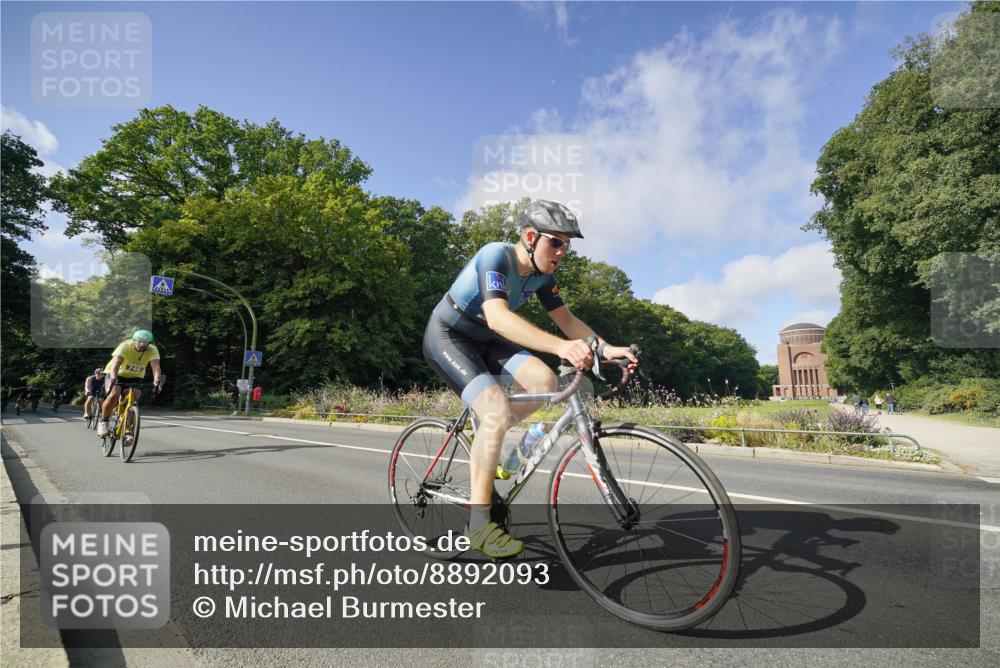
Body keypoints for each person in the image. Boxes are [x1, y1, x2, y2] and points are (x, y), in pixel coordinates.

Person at [422, 199, 638, 558]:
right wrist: (563, 348)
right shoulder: (496, 256)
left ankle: (504, 450)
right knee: (494, 410)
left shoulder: (542, 277)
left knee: (545, 381)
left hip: (488, 340)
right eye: (555, 242)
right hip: (449, 335)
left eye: (566, 246)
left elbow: (568, 321)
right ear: (529, 236)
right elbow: (498, 318)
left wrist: (606, 348)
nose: (561, 252)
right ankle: (478, 525)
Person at [97, 330, 164, 437]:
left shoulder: (152, 350)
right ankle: (104, 421)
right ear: (134, 340)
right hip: (116, 372)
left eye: (146, 343)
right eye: (140, 342)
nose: (142, 345)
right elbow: (116, 364)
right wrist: (113, 378)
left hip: (135, 375)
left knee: (133, 399)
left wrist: (156, 381)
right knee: (114, 394)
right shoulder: (125, 346)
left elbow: (156, 367)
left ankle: (128, 429)